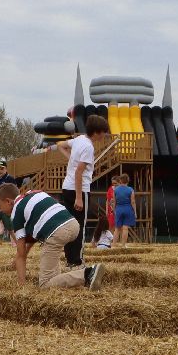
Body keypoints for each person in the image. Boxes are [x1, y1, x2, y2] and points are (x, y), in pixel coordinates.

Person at [0, 182, 103, 290]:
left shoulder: (16, 213)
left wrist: (21, 287)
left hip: (56, 232)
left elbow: (21, 254)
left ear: (8, 201)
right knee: (53, 278)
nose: (0, 210)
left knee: (44, 285)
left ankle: (87, 274)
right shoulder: (32, 193)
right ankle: (82, 280)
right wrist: (23, 254)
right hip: (73, 225)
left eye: (0, 206)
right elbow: (34, 236)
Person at [61, 114, 110, 267]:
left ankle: (70, 260)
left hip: (66, 187)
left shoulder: (79, 139)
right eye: (104, 132)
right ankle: (77, 260)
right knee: (79, 227)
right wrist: (79, 198)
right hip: (79, 190)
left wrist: (71, 159)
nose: (105, 135)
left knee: (69, 226)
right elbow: (78, 173)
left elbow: (61, 144)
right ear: (97, 132)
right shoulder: (88, 146)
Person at [109, 174, 137, 246]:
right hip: (128, 209)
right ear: (128, 181)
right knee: (125, 229)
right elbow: (133, 202)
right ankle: (123, 245)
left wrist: (114, 210)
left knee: (117, 229)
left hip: (119, 209)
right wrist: (135, 211)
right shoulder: (130, 189)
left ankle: (114, 245)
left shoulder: (116, 190)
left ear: (120, 180)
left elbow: (114, 202)